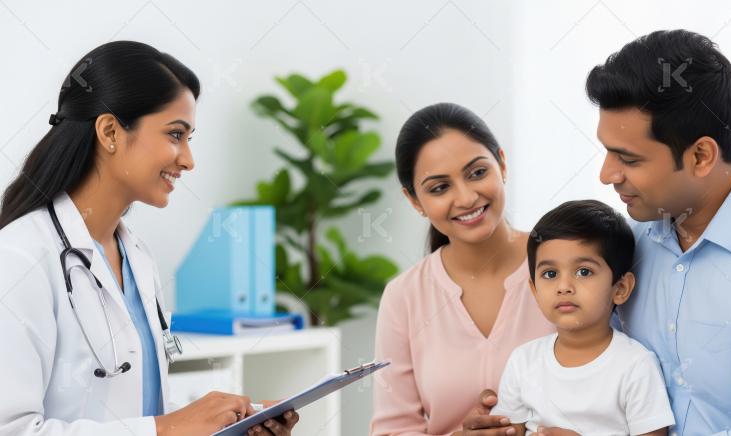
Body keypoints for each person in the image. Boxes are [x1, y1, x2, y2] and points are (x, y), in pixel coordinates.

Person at [0, 41, 298, 436]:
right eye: (176, 134)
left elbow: (137, 409)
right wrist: (167, 428)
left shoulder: (136, 257)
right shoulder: (20, 257)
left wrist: (225, 424)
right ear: (109, 131)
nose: (188, 160)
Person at [586, 29, 731, 434]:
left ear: (701, 156)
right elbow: (592, 375)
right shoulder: (629, 242)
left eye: (628, 158)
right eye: (607, 151)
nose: (606, 175)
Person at [370, 103, 553, 436]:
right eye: (440, 188)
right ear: (414, 201)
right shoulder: (404, 297)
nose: (467, 197)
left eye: (477, 172)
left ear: (502, 165)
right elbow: (392, 430)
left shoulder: (566, 262)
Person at [492, 200, 674, 435]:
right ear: (535, 291)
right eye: (550, 274)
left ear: (620, 288)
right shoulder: (523, 361)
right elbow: (509, 429)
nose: (564, 286)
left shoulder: (635, 365)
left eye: (584, 272)